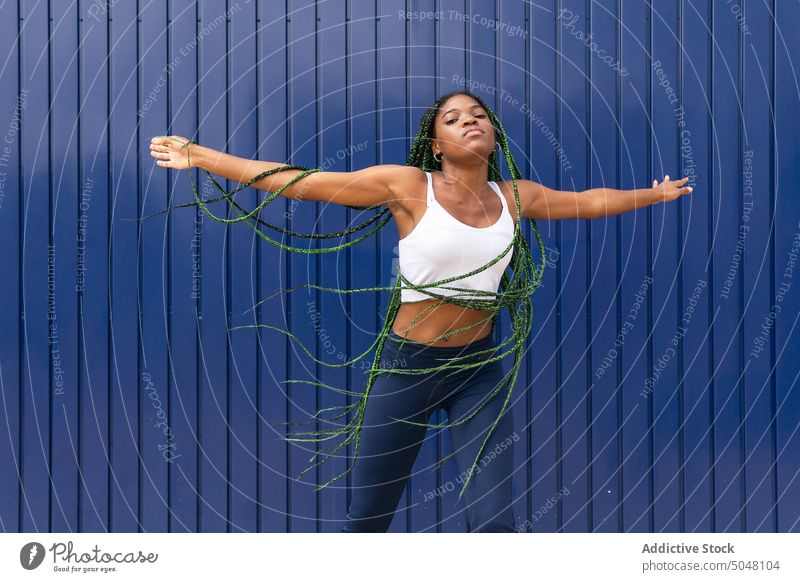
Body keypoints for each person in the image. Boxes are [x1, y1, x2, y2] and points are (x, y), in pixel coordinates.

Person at [149, 90, 693, 532]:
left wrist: (655, 195)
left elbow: (590, 201)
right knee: (368, 518)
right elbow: (302, 183)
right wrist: (202, 157)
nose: (469, 121)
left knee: (495, 521)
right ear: (437, 146)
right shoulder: (408, 187)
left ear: (493, 134)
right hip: (407, 367)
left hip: (479, 370)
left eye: (479, 115)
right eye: (453, 119)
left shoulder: (515, 196)